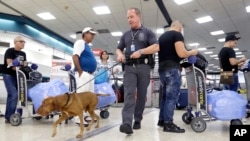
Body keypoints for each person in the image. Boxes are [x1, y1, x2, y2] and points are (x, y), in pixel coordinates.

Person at [116, 7, 159, 134]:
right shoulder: (125, 35)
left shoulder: (148, 32)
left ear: (139, 16)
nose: (129, 20)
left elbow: (156, 47)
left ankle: (138, 119)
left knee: (141, 95)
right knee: (129, 94)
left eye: (131, 17)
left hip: (144, 67)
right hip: (129, 67)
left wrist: (141, 51)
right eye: (128, 18)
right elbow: (118, 48)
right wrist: (120, 54)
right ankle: (126, 123)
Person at [157, 20, 198, 133]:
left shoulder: (162, 37)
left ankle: (162, 120)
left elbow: (169, 54)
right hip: (171, 70)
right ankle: (168, 123)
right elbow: (182, 53)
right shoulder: (177, 34)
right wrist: (193, 52)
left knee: (165, 97)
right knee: (172, 97)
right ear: (180, 28)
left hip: (162, 69)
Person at [72, 27, 97, 125]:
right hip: (84, 73)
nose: (93, 36)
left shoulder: (88, 46)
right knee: (81, 97)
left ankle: (86, 115)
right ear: (85, 34)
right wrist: (80, 71)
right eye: (91, 34)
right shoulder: (80, 43)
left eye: (93, 34)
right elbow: (75, 56)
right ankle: (78, 119)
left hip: (90, 75)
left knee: (89, 97)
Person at [2, 36, 27, 123]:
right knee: (14, 94)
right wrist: (20, 64)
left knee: (13, 95)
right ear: (15, 42)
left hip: (18, 76)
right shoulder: (10, 51)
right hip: (8, 75)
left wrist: (22, 65)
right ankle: (9, 117)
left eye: (24, 42)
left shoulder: (23, 54)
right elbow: (10, 64)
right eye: (21, 41)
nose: (23, 43)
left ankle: (8, 116)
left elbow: (24, 65)